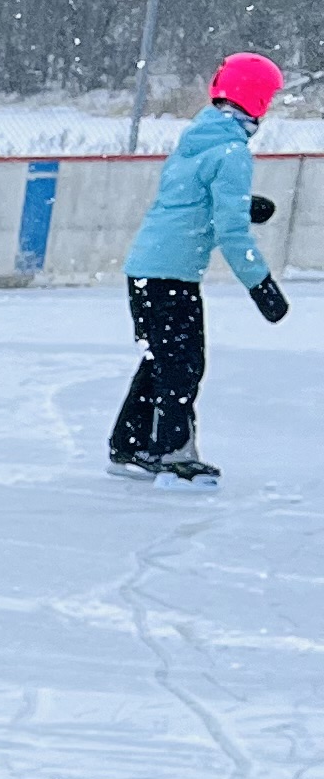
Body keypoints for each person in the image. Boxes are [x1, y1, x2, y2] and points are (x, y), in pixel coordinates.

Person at [109, 51, 291, 483]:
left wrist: (246, 205)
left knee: (160, 359)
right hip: (172, 274)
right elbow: (230, 233)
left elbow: (190, 201)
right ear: (258, 99)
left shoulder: (197, 138)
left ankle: (130, 446)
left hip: (145, 269)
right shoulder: (232, 152)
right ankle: (172, 453)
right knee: (183, 364)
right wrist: (261, 284)